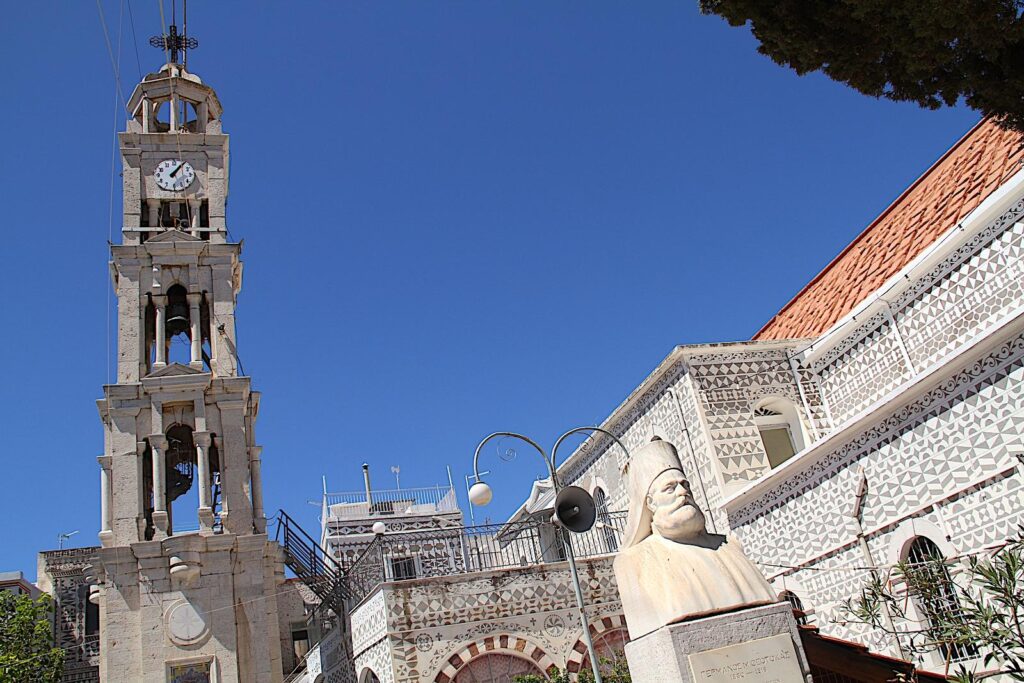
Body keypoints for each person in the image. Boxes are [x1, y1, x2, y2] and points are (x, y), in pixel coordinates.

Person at [613, 437, 777, 639]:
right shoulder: (633, 562)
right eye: (670, 488)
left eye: (685, 485)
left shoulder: (729, 546)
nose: (683, 492)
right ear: (650, 503)